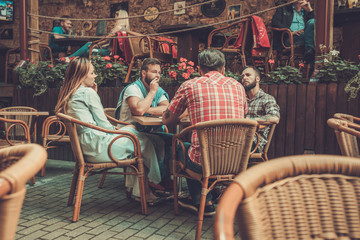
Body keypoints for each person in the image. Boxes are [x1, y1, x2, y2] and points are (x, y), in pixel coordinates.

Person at [54, 57, 167, 205]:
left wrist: (123, 129)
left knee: (136, 139)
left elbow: (96, 123)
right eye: (92, 73)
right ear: (82, 75)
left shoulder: (72, 93)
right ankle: (157, 181)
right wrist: (125, 129)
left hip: (87, 146)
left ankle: (143, 192)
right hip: (99, 148)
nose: (95, 76)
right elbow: (103, 125)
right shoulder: (87, 94)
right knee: (143, 141)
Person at [162, 49, 248, 216]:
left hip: (203, 166)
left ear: (200, 70)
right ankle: (205, 198)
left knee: (182, 146)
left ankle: (203, 201)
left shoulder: (190, 85)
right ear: (223, 69)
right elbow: (242, 115)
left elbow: (167, 120)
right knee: (194, 148)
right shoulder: (238, 86)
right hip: (235, 162)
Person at [241, 66, 280, 152]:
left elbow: (275, 118)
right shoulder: (241, 99)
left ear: (257, 79)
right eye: (242, 76)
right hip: (239, 139)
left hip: (255, 142)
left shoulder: (266, 98)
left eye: (248, 75)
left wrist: (250, 120)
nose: (244, 78)